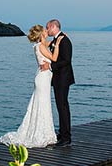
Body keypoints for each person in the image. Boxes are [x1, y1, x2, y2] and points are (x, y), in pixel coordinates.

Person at [0, 24, 64, 148]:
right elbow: (54, 58)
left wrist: (57, 39)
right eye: (44, 30)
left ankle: (43, 132)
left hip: (42, 77)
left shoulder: (40, 45)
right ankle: (41, 134)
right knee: (43, 104)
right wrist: (58, 44)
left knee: (41, 104)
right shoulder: (41, 47)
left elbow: (49, 44)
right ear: (42, 34)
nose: (46, 31)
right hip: (43, 79)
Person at [42, 19, 74, 147]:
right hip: (58, 78)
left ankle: (66, 137)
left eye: (48, 27)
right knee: (60, 107)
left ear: (54, 27)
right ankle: (62, 133)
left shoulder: (64, 40)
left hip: (63, 78)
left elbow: (66, 60)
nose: (47, 30)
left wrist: (50, 66)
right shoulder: (57, 39)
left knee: (63, 107)